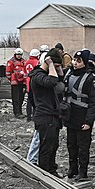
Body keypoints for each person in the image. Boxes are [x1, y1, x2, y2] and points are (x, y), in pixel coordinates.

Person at [62, 49, 95, 181]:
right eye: (74, 60)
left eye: (79, 61)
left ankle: (83, 171)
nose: (75, 63)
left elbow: (94, 103)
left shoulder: (91, 78)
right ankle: (73, 168)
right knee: (71, 144)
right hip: (70, 116)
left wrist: (89, 122)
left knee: (83, 147)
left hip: (83, 117)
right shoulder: (68, 74)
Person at [28, 48, 65, 177]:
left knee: (53, 145)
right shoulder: (38, 76)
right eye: (56, 66)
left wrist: (57, 67)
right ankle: (44, 173)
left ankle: (51, 170)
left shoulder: (48, 74)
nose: (57, 69)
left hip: (52, 115)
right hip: (44, 116)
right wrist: (50, 64)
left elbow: (59, 79)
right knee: (45, 147)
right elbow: (52, 81)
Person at [6, 48, 26, 118]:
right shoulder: (11, 62)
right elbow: (8, 73)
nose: (19, 56)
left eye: (20, 55)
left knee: (21, 98)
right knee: (16, 98)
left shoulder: (24, 62)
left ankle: (20, 112)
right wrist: (12, 79)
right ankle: (16, 113)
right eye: (18, 54)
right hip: (15, 82)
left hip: (22, 82)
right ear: (15, 54)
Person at [24, 49, 41, 122]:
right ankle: (34, 116)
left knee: (29, 100)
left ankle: (28, 116)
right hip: (34, 82)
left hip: (27, 82)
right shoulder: (37, 62)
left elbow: (25, 72)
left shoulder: (26, 62)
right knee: (35, 100)